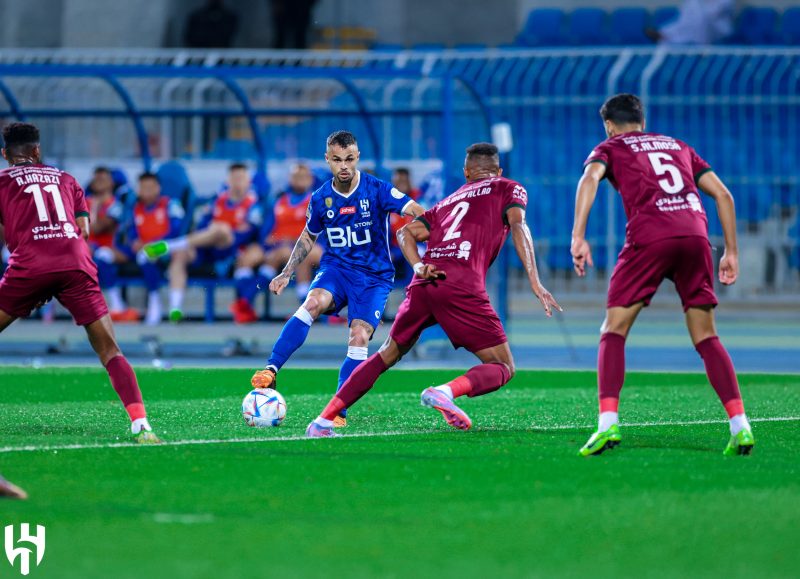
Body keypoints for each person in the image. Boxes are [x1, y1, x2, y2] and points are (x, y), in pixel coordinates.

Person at [306, 143, 561, 437]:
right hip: (460, 284)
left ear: (467, 173)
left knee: (386, 354)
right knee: (502, 365)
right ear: (498, 171)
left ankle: (323, 421)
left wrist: (416, 266)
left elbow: (404, 233)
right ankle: (444, 391)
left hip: (424, 282)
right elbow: (519, 226)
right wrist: (535, 281)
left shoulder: (449, 201)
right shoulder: (509, 187)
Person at [571, 93, 753, 457]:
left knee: (613, 330)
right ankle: (740, 426)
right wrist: (731, 251)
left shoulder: (611, 146)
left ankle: (607, 424)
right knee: (706, 337)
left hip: (651, 237)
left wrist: (578, 235)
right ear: (643, 119)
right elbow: (724, 196)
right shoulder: (678, 145)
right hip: (695, 236)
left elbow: (589, 179)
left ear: (609, 125)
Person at [0, 122, 160, 444]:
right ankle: (142, 425)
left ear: (5, 154)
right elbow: (83, 231)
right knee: (110, 350)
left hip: (31, 265)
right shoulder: (66, 179)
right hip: (75, 264)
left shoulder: (2, 182)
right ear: (37, 151)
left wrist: (36, 281)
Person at [251, 131, 424, 427]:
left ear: (357, 158)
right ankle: (271, 369)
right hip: (337, 269)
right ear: (327, 160)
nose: (343, 165)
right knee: (313, 302)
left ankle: (337, 410)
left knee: (358, 336)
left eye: (349, 159)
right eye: (337, 160)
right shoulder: (320, 199)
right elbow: (309, 235)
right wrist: (287, 271)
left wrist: (427, 232)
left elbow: (415, 210)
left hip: (374, 277)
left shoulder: (377, 189)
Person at [143, 163, 262, 323]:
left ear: (248, 181)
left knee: (222, 229)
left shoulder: (253, 204)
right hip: (206, 247)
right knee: (181, 255)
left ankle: (170, 245)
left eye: (241, 178)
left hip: (231, 250)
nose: (237, 182)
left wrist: (217, 230)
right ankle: (175, 308)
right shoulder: (216, 202)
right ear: (228, 180)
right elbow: (201, 227)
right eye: (234, 178)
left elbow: (247, 233)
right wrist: (211, 231)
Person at [232, 163, 322, 319]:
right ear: (290, 179)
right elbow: (266, 232)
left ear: (310, 179)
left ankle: (306, 310)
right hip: (277, 244)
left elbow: (320, 232)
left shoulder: (317, 201)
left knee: (292, 255)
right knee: (247, 256)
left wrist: (292, 241)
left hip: (302, 246)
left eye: (304, 176)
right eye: (296, 176)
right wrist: (271, 241)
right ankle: (244, 304)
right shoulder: (278, 201)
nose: (300, 180)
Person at [124, 172, 186, 326]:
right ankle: (154, 299)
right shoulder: (135, 208)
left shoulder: (171, 204)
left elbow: (177, 230)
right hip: (146, 251)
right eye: (144, 187)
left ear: (158, 188)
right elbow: (130, 231)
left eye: (151, 187)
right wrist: (134, 241)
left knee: (145, 254)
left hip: (167, 248)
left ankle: (159, 304)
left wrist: (152, 243)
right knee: (142, 255)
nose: (148, 191)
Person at [87, 166, 138, 322]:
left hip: (113, 249)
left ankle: (117, 305)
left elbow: (96, 227)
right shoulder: (81, 202)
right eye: (97, 179)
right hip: (86, 248)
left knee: (100, 254)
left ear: (111, 183)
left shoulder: (116, 205)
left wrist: (94, 208)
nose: (100, 182)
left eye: (104, 179)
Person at [646, 0, 735, 45]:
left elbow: (713, 13)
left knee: (702, 17)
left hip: (716, 30)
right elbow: (684, 19)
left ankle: (670, 37)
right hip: (692, 27)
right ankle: (663, 34)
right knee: (685, 21)